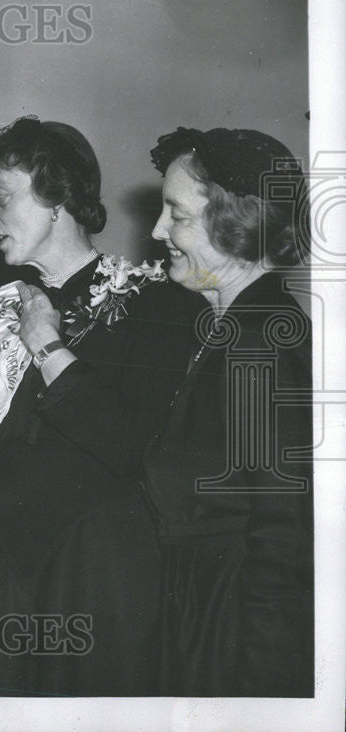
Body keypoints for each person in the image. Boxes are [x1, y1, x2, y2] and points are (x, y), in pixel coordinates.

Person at [0, 116, 200, 697]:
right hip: (2, 576)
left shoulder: (156, 305)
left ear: (58, 200)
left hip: (100, 578)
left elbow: (137, 448)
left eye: (1, 196)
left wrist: (48, 345)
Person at [144, 127, 313, 696]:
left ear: (237, 225)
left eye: (177, 216)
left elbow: (285, 537)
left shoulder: (260, 341)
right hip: (201, 613)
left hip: (232, 631)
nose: (157, 230)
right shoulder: (229, 330)